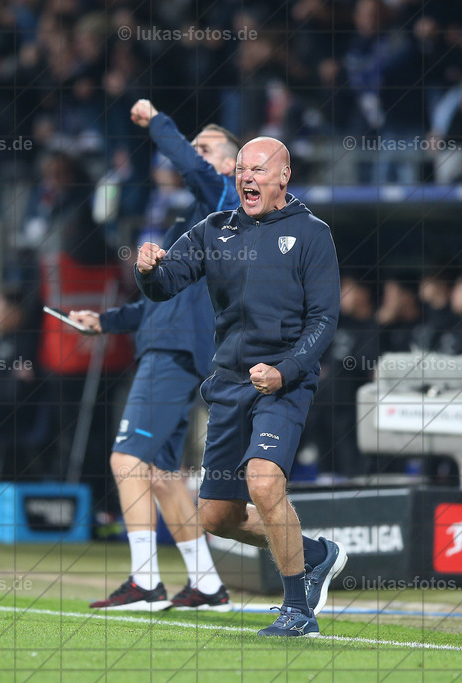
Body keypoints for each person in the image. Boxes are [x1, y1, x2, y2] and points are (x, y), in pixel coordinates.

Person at [135, 136, 346, 636]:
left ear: (283, 177)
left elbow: (324, 318)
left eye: (258, 169)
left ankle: (298, 610)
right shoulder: (214, 230)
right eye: (241, 171)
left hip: (282, 384)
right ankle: (316, 555)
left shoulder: (313, 234)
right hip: (228, 384)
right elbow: (167, 283)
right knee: (217, 516)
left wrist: (287, 371)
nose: (247, 178)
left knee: (265, 482)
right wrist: (147, 270)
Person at [73, 106, 242, 611]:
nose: (194, 154)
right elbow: (159, 297)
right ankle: (207, 585)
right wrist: (107, 321)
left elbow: (190, 168)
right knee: (163, 478)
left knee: (125, 459)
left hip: (174, 353)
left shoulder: (224, 200)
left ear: (229, 167)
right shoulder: (192, 219)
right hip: (173, 346)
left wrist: (157, 123)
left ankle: (145, 582)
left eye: (206, 147)